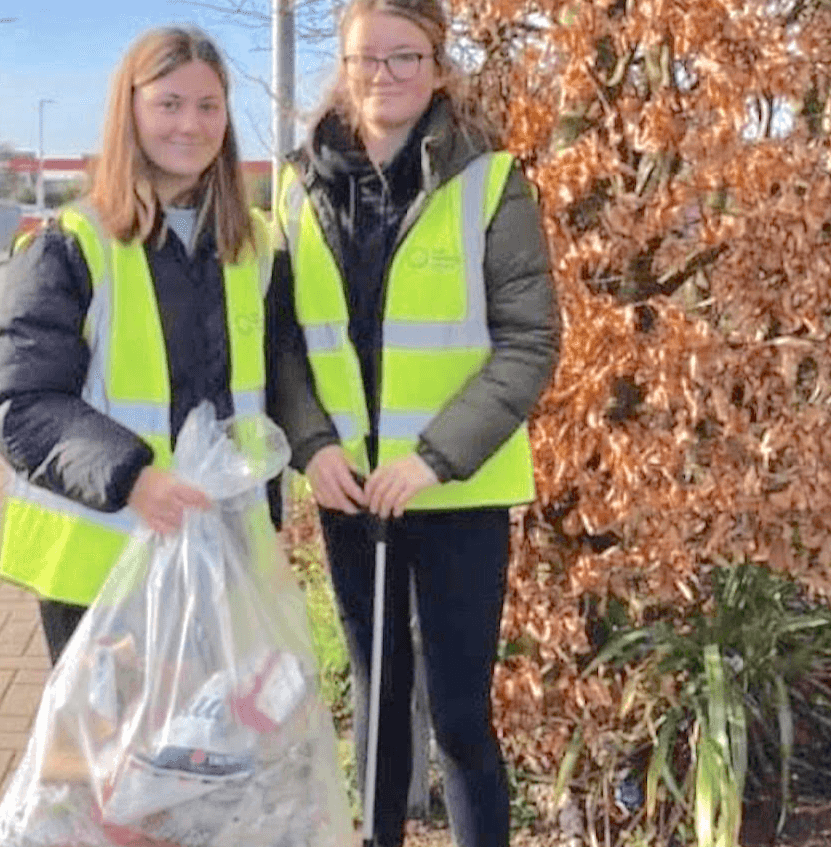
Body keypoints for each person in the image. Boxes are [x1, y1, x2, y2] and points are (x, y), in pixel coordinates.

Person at [265, 1, 559, 845]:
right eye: (367, 59)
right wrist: (313, 446)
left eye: (405, 57)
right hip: (351, 491)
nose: (384, 76)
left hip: (455, 492)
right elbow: (279, 342)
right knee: (379, 701)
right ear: (344, 67)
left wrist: (432, 459)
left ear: (438, 65)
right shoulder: (296, 184)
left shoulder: (491, 181)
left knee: (462, 713)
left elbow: (530, 341)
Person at [0, 26, 271, 666]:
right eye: (169, 103)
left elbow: (280, 378)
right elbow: (14, 402)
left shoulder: (252, 248)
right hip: (102, 567)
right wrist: (131, 477)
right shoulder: (71, 245)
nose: (189, 124)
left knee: (208, 757)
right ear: (129, 111)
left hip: (221, 557)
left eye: (207, 106)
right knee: (106, 765)